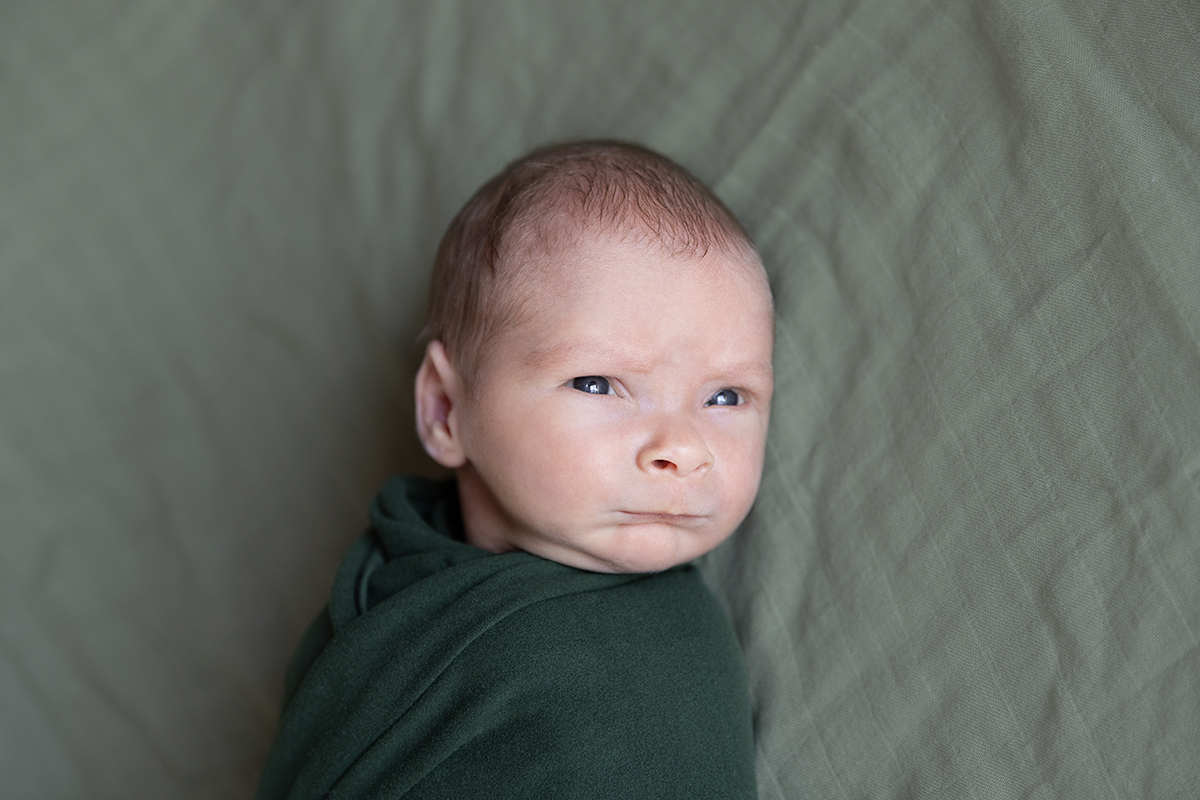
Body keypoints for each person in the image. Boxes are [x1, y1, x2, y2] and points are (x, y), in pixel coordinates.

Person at [256, 140, 773, 799]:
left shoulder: (664, 666)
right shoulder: (386, 587)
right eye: (597, 383)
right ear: (446, 409)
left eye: (726, 397)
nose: (684, 445)